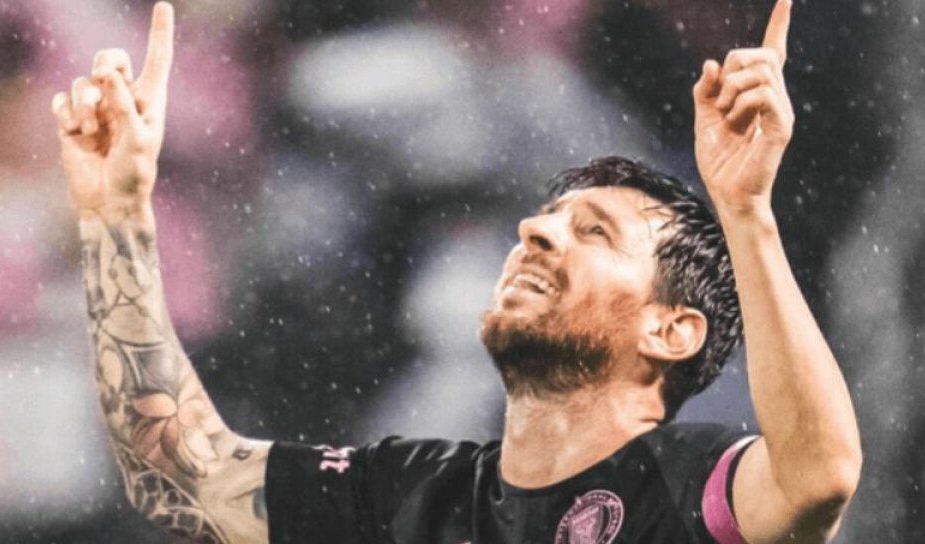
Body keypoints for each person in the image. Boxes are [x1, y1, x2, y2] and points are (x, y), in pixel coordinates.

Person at [51, 0, 861, 542]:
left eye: (593, 231)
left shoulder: (678, 484)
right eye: (545, 218)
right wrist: (115, 218)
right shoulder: (411, 487)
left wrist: (745, 212)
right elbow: (181, 476)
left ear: (671, 331)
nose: (538, 232)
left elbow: (817, 474)